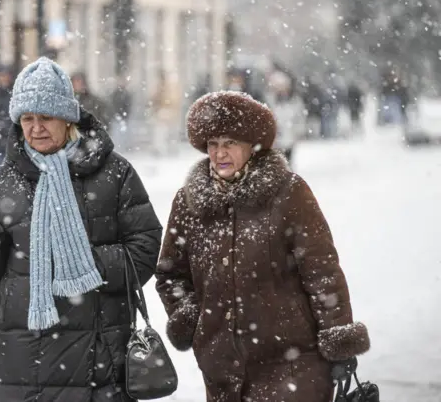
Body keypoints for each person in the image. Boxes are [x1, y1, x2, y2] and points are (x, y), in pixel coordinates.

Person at [0, 57, 163, 402]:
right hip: (24, 362)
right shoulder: (3, 185)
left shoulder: (114, 174)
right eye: (27, 119)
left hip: (100, 359)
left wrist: (88, 266)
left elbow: (146, 246)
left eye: (46, 117)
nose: (36, 128)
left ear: (68, 119)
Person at [155, 91, 370, 402]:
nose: (219, 154)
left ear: (252, 146)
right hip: (222, 369)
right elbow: (170, 274)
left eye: (229, 143)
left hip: (292, 364)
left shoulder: (289, 193)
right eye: (212, 145)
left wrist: (338, 342)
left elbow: (321, 271)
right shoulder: (189, 202)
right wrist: (192, 318)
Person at [150, 70, 183, 156]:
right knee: (163, 132)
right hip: (164, 111)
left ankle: (166, 148)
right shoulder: (163, 87)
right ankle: (164, 148)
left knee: (164, 132)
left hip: (166, 111)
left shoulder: (168, 87)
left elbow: (173, 100)